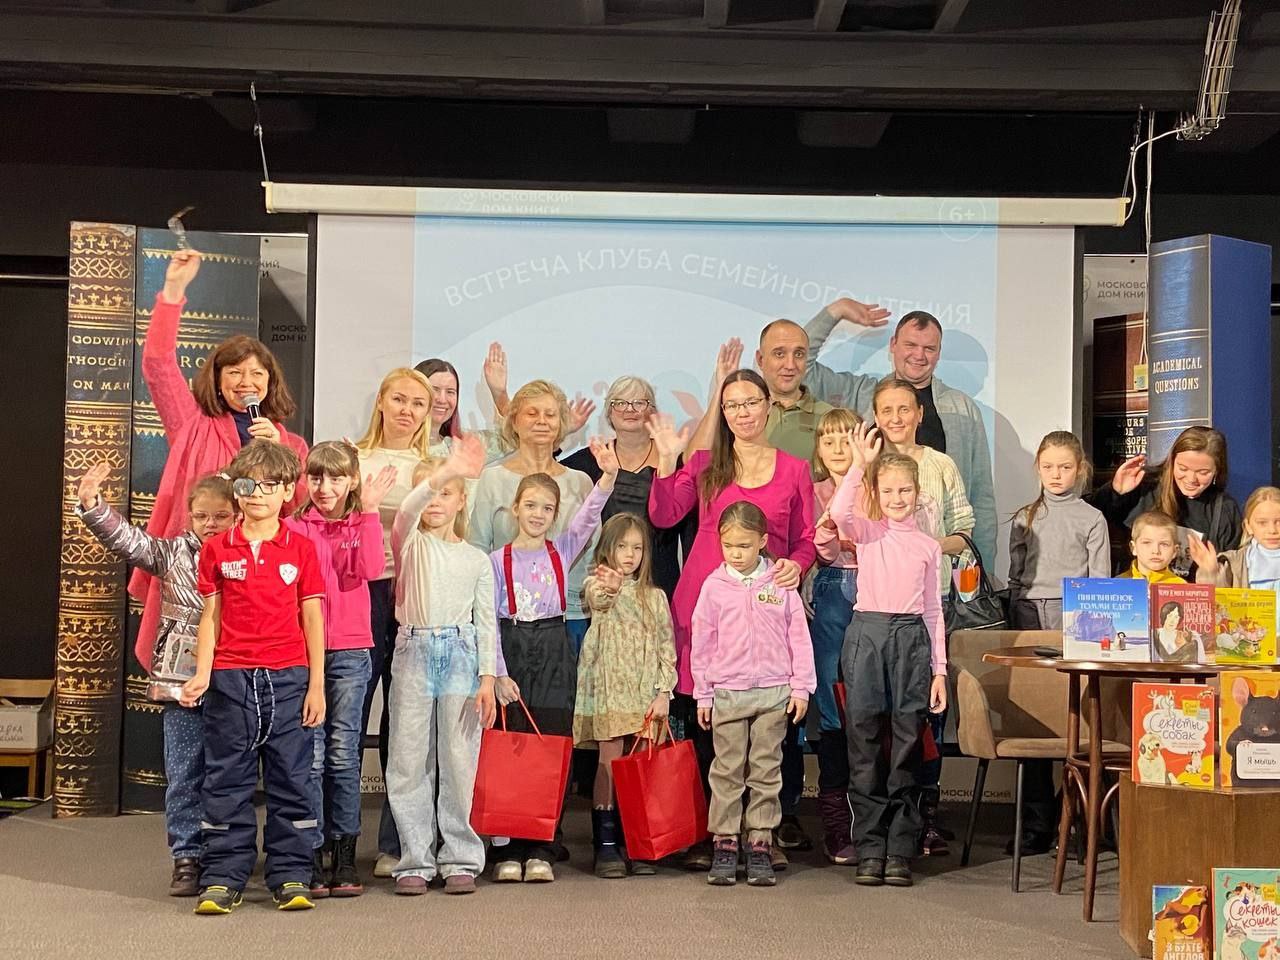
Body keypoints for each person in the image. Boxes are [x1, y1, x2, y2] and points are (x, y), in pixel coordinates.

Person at [647, 368, 816, 871]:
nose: (742, 413)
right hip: (707, 608)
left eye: (751, 402)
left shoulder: (794, 469)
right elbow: (663, 515)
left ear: (769, 406)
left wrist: (797, 564)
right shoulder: (704, 464)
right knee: (708, 726)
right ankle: (713, 834)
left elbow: (806, 538)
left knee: (772, 729)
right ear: (722, 412)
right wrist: (666, 460)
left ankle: (763, 834)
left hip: (767, 616)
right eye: (732, 405)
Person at [131, 248, 308, 703]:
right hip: (196, 579)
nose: (246, 382)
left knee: (242, 701)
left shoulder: (290, 443)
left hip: (258, 586)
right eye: (235, 372)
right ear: (218, 378)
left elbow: (299, 507)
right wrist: (173, 291)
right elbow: (157, 365)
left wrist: (279, 450)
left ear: (270, 381)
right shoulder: (192, 423)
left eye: (256, 373)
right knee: (191, 700)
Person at [75, 462, 236, 897]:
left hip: (234, 679)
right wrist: (93, 505)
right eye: (201, 516)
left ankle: (226, 855)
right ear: (189, 515)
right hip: (181, 683)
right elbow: (128, 540)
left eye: (221, 516)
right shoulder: (171, 553)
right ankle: (187, 856)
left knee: (230, 776)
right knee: (184, 774)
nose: (210, 524)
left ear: (237, 514)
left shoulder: (247, 555)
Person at [180, 440, 326, 915]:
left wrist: (317, 685)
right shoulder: (217, 548)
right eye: (248, 484)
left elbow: (312, 618)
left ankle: (291, 874)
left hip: (288, 679)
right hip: (231, 680)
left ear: (287, 492)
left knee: (292, 781)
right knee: (226, 782)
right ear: (236, 490)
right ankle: (223, 877)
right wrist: (203, 672)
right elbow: (211, 616)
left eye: (269, 485)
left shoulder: (302, 548)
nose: (257, 493)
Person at [488, 439, 618, 884]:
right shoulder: (495, 561)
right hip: (512, 647)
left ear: (556, 514)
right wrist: (499, 673)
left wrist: (608, 477)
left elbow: (590, 515)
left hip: (553, 649)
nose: (538, 514)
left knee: (550, 746)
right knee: (510, 746)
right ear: (515, 508)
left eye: (547, 508)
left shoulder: (561, 552)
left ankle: (543, 843)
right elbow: (487, 623)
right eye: (530, 505)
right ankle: (508, 845)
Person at [828, 424, 947, 889]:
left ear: (918, 494)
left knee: (906, 740)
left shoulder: (928, 546)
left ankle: (900, 848)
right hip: (868, 634)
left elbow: (934, 610)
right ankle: (870, 847)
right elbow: (839, 512)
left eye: (905, 490)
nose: (897, 498)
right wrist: (859, 465)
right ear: (876, 494)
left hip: (911, 639)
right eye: (889, 490)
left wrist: (939, 670)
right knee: (863, 739)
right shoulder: (868, 532)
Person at [804, 303, 998, 570]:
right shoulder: (861, 393)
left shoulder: (962, 409)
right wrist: (836, 311)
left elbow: (981, 497)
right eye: (910, 345)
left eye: (929, 348)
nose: (919, 355)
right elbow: (803, 368)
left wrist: (983, 568)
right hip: (873, 568)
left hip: (941, 568)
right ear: (893, 345)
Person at [385, 435, 497, 896]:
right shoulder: (410, 542)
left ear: (462, 500)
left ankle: (460, 856)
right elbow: (408, 509)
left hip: (461, 656)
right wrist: (444, 472)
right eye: (431, 490)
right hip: (413, 651)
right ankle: (415, 857)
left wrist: (487, 677)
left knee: (459, 759)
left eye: (447, 492)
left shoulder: (477, 559)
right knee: (408, 758)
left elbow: (486, 622)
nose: (436, 500)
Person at [871, 376, 974, 855]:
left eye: (904, 409)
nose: (895, 418)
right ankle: (882, 817)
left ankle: (925, 814)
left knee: (928, 713)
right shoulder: (869, 468)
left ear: (919, 414)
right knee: (879, 718)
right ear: (875, 417)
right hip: (878, 612)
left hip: (930, 605)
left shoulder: (940, 465)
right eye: (886, 410)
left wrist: (926, 548)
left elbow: (965, 531)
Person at [289, 442, 397, 899]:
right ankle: (313, 852)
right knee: (311, 758)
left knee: (343, 754)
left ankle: (345, 854)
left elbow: (370, 568)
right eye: (316, 477)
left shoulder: (361, 521)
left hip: (352, 650)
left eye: (336, 478)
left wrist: (369, 513)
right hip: (305, 652)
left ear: (352, 480)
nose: (325, 487)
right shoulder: (294, 526)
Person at [693, 501, 816, 888]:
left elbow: (798, 637)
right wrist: (704, 694)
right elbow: (702, 642)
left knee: (765, 770)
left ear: (762, 541)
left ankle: (760, 841)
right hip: (728, 693)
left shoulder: (780, 583)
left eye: (744, 546)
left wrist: (801, 687)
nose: (736, 554)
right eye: (729, 546)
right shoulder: (714, 587)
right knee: (727, 770)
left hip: (773, 693)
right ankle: (725, 842)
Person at [1007, 430, 1110, 856]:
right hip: (1029, 614)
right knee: (1034, 717)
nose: (1056, 474)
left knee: (1076, 721)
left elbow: (1100, 580)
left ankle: (1075, 816)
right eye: (1048, 466)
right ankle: (1036, 822)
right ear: (1037, 468)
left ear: (1080, 469)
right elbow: (1016, 577)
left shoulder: (1092, 519)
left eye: (1065, 467)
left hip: (1076, 617)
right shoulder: (1024, 517)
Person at [353, 366, 436, 876]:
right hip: (361, 594)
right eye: (399, 399)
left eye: (418, 403)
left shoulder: (432, 466)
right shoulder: (353, 458)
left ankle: (396, 843)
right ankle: (338, 841)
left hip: (414, 598)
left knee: (404, 725)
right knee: (350, 716)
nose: (407, 410)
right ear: (381, 401)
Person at [573, 512, 677, 879]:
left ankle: (638, 840)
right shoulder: (597, 586)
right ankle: (605, 842)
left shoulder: (655, 597)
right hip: (610, 692)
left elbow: (666, 647)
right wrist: (613, 586)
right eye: (622, 547)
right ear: (607, 549)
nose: (630, 555)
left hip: (645, 694)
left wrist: (664, 692)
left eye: (637, 548)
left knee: (640, 766)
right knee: (610, 761)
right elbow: (598, 599)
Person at [469, 380, 598, 653]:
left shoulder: (581, 482)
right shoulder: (492, 479)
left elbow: (592, 552)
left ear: (561, 424)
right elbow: (478, 549)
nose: (542, 421)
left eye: (550, 414)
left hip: (571, 615)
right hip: (508, 616)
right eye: (532, 413)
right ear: (514, 421)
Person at [561, 375, 690, 600]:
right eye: (620, 403)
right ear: (609, 412)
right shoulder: (591, 460)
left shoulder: (675, 460)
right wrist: (563, 432)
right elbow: (544, 471)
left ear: (652, 411)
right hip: (603, 586)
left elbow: (688, 530)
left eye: (639, 403)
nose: (629, 409)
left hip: (660, 585)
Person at [809, 407, 862, 864]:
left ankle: (876, 819)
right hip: (832, 593)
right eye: (829, 441)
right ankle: (836, 823)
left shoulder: (877, 490)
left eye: (847, 439)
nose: (839, 449)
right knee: (832, 703)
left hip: (878, 595)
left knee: (871, 705)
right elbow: (819, 547)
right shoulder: (814, 491)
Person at [1091, 426, 1243, 580]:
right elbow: (1089, 521)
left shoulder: (1224, 509)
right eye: (1183, 468)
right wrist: (1115, 491)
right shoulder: (1144, 485)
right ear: (1172, 461)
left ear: (1217, 470)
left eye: (1203, 472)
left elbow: (1232, 570)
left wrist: (1214, 571)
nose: (1191, 479)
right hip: (1134, 590)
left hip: (1191, 593)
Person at [1191, 487, 1280, 625]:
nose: (1272, 530)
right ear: (1248, 526)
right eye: (1262, 523)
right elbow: (1219, 601)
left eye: (1279, 522)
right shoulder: (1234, 563)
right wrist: (1211, 572)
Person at [414, 349, 510, 463]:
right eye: (434, 390)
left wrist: (500, 394)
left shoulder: (461, 444)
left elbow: (512, 440)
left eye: (450, 392)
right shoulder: (400, 447)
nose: (442, 399)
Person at [1120, 511, 1186, 584]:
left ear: (1174, 551)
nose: (1156, 551)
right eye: (1147, 543)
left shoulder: (1180, 587)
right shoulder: (1118, 584)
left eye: (1164, 544)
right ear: (1133, 548)